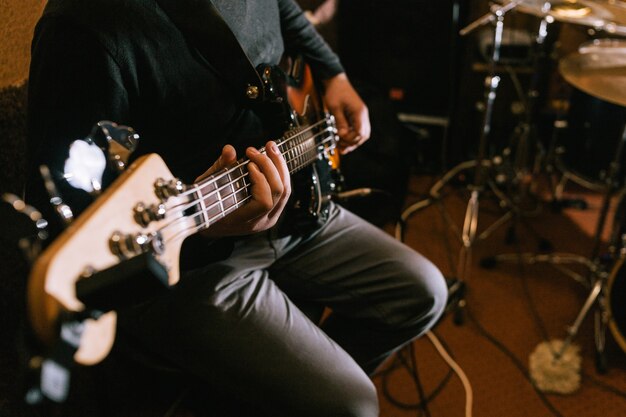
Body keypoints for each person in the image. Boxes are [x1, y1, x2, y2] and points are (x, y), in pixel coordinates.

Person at [26, 0, 448, 416]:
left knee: (424, 294)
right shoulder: (84, 27)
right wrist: (206, 231)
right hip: (187, 256)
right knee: (355, 404)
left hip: (293, 206)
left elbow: (281, 8)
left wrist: (332, 72)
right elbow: (67, 215)